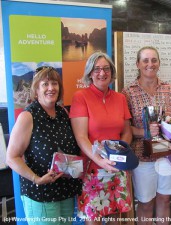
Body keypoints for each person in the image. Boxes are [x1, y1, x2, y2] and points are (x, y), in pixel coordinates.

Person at [6, 66, 82, 225]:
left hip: (65, 191)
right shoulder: (28, 116)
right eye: (45, 84)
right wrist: (37, 179)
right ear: (36, 90)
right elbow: (12, 157)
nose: (51, 88)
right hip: (40, 194)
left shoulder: (62, 113)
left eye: (54, 83)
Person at [122, 46, 171, 225]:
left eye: (154, 60)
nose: (150, 64)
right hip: (142, 156)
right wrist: (145, 132)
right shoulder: (128, 92)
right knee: (146, 203)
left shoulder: (170, 89)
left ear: (159, 63)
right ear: (138, 64)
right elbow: (126, 128)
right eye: (146, 60)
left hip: (166, 155)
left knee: (164, 200)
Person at [69, 51, 132, 225]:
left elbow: (126, 131)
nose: (102, 73)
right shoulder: (81, 97)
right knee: (94, 219)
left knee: (115, 218)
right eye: (97, 69)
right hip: (93, 168)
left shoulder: (120, 98)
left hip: (117, 166)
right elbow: (81, 137)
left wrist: (119, 155)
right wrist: (101, 160)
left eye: (106, 69)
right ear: (90, 73)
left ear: (112, 72)